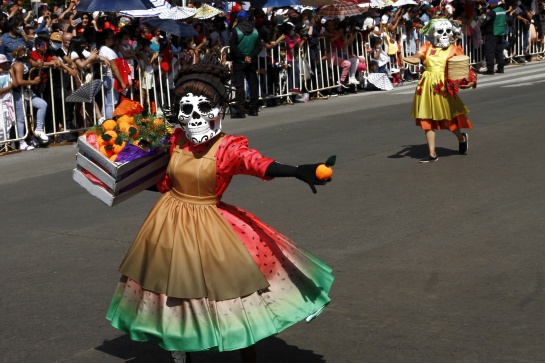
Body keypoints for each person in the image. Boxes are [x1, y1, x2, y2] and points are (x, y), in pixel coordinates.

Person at [106, 55, 334, 363]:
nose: (196, 117)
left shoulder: (228, 147)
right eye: (187, 109)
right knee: (174, 288)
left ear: (219, 111)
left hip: (211, 226)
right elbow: (163, 181)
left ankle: (246, 348)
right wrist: (120, 179)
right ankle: (180, 346)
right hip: (168, 223)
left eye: (204, 108)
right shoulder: (175, 141)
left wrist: (296, 170)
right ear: (179, 114)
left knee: (234, 290)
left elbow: (257, 163)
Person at [410, 19, 477, 163]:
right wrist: (412, 59)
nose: (445, 34)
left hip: (443, 86)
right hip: (426, 85)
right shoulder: (427, 46)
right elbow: (417, 56)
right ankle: (432, 154)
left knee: (446, 119)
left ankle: (461, 137)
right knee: (426, 119)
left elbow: (463, 67)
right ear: (433, 33)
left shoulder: (454, 48)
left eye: (447, 31)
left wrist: (470, 80)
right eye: (441, 31)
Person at [10, 46, 48, 150]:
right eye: (27, 57)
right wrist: (33, 82)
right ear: (23, 57)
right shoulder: (18, 65)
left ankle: (39, 129)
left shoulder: (27, 61)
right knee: (20, 119)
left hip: (27, 92)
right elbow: (19, 81)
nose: (29, 59)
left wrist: (39, 62)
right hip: (19, 94)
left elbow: (36, 63)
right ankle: (21, 142)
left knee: (42, 104)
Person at [229, 9, 261, 118]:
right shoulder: (255, 31)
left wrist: (243, 56)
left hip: (239, 61)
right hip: (251, 60)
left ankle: (241, 110)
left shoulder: (236, 31)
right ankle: (254, 108)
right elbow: (258, 47)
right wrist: (250, 56)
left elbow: (233, 47)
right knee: (253, 84)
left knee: (239, 85)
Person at [96, 28, 126, 120]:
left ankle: (105, 122)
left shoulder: (102, 49)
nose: (113, 39)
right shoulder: (107, 50)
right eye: (112, 37)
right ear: (106, 39)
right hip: (111, 78)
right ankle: (109, 122)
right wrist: (122, 81)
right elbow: (114, 67)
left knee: (107, 102)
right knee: (111, 102)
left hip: (106, 78)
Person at [480, 0, 506, 74]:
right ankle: (501, 68)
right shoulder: (502, 11)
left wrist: (482, 28)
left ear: (493, 3)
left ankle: (490, 69)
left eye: (490, 4)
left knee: (490, 51)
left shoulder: (492, 12)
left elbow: (485, 23)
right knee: (499, 51)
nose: (489, 5)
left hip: (492, 33)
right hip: (500, 33)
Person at [0, 54, 15, 144]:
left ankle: (6, 143)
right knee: (1, 125)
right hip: (1, 102)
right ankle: (1, 143)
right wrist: (9, 87)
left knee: (8, 123)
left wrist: (12, 73)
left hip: (8, 101)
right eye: (3, 63)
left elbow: (15, 84)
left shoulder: (7, 73)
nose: (6, 65)